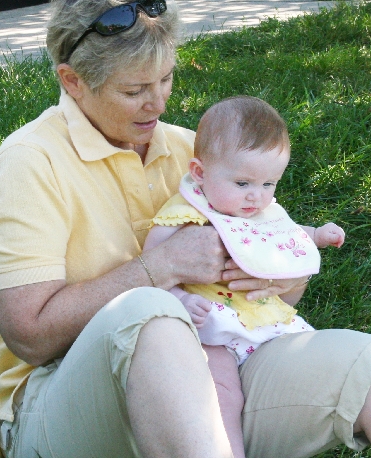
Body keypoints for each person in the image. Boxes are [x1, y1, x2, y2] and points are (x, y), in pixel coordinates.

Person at [0, 0, 371, 458]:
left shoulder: (192, 152)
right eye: (134, 90)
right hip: (54, 408)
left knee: (370, 364)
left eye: (165, 80)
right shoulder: (29, 163)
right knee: (151, 312)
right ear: (72, 80)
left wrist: (271, 277)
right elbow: (29, 336)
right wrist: (159, 268)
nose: (159, 103)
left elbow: (283, 283)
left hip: (214, 378)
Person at [143, 95, 346, 457]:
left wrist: (315, 235)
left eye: (269, 184)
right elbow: (153, 266)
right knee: (219, 391)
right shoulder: (185, 214)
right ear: (200, 173)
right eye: (243, 184)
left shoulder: (257, 210)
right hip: (210, 329)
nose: (257, 197)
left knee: (313, 371)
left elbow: (284, 233)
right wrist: (181, 299)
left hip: (264, 320)